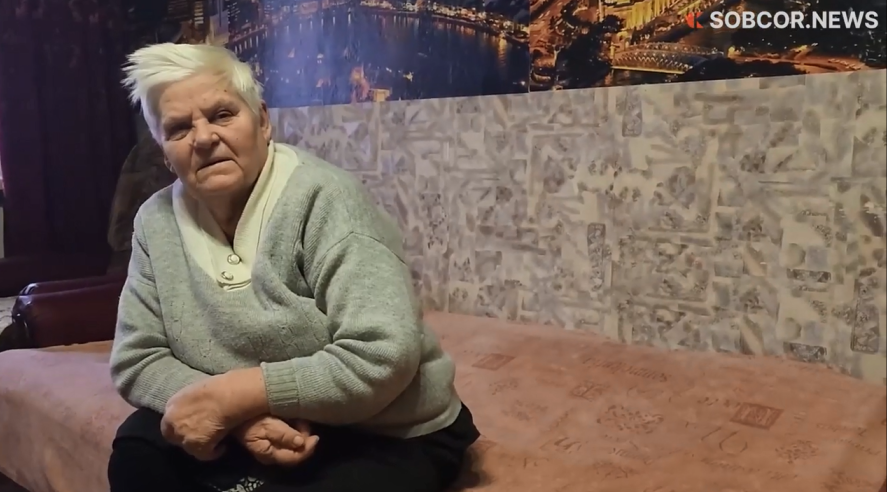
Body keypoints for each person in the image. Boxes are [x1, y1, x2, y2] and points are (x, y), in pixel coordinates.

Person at [107, 43, 479, 492]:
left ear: (262, 121)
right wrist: (239, 419)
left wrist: (233, 398)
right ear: (165, 153)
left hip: (382, 428)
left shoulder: (326, 199)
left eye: (222, 115)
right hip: (252, 418)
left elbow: (382, 354)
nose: (203, 138)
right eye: (179, 128)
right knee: (138, 450)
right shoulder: (154, 221)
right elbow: (137, 357)